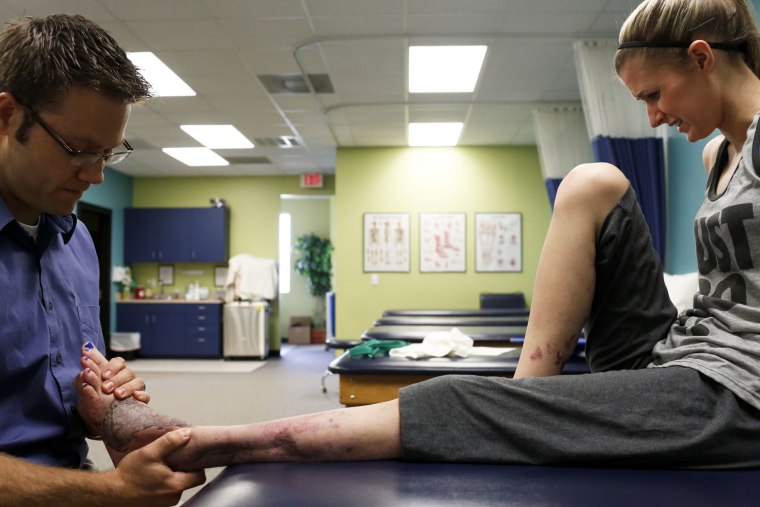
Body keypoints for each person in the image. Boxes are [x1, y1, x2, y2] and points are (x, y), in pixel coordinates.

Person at [78, 0, 760, 472]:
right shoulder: (714, 155)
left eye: (655, 94)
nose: (652, 115)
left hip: (734, 394)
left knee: (459, 396)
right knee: (590, 180)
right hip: (681, 355)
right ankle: (527, 399)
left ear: (702, 57)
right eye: (642, 100)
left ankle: (212, 440)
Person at [0, 14, 204, 506]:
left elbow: (63, 396)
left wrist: (108, 409)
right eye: (79, 150)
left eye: (109, 154)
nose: (95, 177)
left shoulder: (78, 242)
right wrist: (109, 492)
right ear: (7, 116)